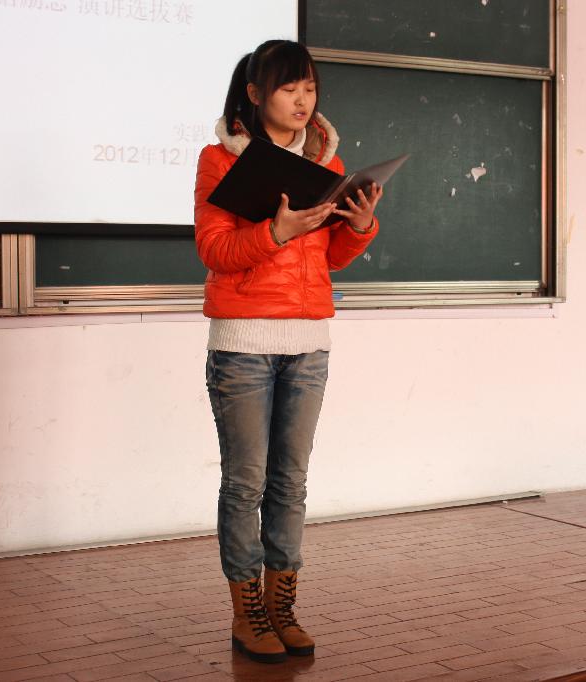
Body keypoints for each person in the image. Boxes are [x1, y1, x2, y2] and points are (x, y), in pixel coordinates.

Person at [194, 39, 382, 664]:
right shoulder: (220, 160)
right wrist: (275, 231)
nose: (303, 100)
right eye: (288, 88)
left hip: (308, 345)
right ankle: (246, 612)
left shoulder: (328, 163)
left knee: (291, 483)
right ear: (255, 94)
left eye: (309, 88)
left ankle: (282, 606)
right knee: (245, 483)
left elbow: (330, 258)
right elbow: (215, 251)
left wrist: (359, 226)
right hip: (243, 345)